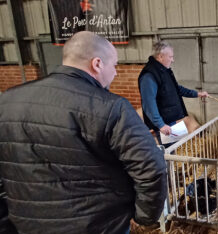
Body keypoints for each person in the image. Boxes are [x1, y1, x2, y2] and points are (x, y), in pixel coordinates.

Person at [0, 31, 167, 234]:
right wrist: (144, 217)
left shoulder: (7, 101)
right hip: (99, 225)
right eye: (114, 65)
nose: (115, 73)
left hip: (27, 225)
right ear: (97, 64)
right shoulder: (111, 107)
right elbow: (151, 168)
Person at [138, 41, 208, 145]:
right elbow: (148, 103)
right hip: (163, 124)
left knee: (173, 149)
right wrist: (160, 124)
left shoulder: (164, 71)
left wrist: (197, 94)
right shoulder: (149, 76)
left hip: (170, 120)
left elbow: (176, 89)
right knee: (167, 152)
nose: (173, 60)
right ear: (161, 56)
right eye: (170, 57)